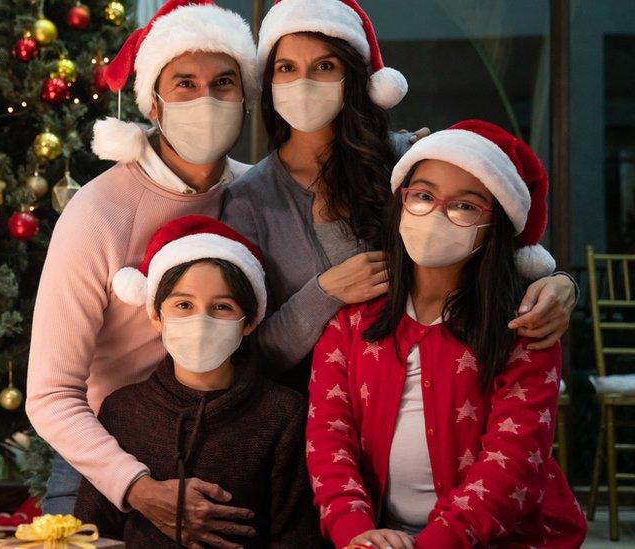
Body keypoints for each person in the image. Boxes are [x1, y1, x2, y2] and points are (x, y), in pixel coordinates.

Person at [221, 0, 577, 389]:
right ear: (269, 82)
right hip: (316, 423)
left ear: (352, 76)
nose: (303, 82)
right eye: (286, 68)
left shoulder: (411, 159)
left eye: (325, 66)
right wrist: (326, 292)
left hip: (448, 394)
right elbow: (249, 356)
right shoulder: (247, 202)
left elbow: (498, 251)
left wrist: (560, 285)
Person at [26, 0, 262, 544]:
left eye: (224, 82)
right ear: (154, 102)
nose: (206, 99)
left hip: (226, 444)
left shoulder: (255, 195)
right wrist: (137, 487)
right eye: (185, 83)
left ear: (245, 96)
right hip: (107, 455)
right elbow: (50, 393)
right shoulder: (98, 212)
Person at [305, 120, 587, 548]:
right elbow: (328, 439)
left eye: (465, 206)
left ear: (494, 225)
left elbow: (512, 461)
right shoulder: (351, 324)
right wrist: (356, 534)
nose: (436, 212)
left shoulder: (524, 328)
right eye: (422, 196)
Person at [74, 215, 317, 547]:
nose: (201, 322)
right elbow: (92, 531)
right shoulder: (122, 410)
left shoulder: (283, 414)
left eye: (221, 307)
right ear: (156, 315)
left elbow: (298, 536)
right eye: (184, 305)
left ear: (249, 322)